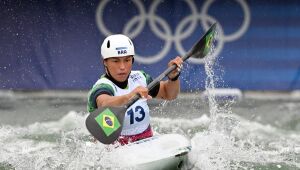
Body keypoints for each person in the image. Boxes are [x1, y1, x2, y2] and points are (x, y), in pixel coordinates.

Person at [87, 34, 183, 145]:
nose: (122, 67)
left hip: (146, 140)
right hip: (115, 149)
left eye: (127, 60)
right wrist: (129, 96)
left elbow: (169, 94)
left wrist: (173, 77)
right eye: (116, 61)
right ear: (105, 62)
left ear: (132, 60)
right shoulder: (103, 86)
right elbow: (104, 103)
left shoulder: (140, 77)